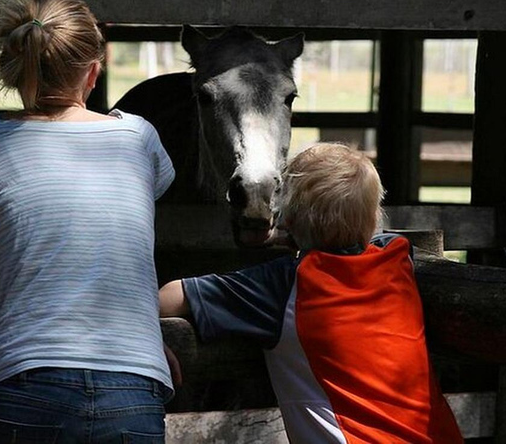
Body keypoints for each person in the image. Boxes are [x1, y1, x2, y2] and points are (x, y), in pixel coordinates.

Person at [0, 0, 177, 444]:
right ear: (93, 71)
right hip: (135, 382)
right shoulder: (138, 138)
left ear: (12, 65)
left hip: (28, 382)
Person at [159, 143, 464, 443]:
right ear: (373, 218)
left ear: (288, 219)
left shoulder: (283, 285)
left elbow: (170, 298)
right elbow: (361, 240)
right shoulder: (397, 257)